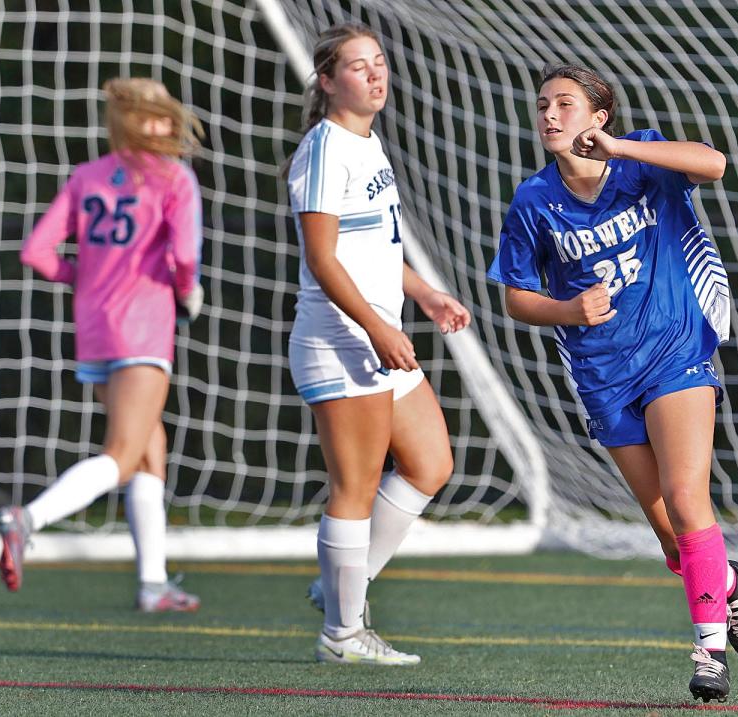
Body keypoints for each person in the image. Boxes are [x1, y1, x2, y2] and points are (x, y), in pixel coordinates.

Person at [487, 64, 738, 702]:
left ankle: (708, 650)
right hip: (603, 375)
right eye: (542, 106)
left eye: (564, 104)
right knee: (671, 533)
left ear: (598, 117)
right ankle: (727, 586)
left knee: (686, 494)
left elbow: (713, 163)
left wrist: (622, 148)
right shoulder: (534, 200)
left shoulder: (642, 162)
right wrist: (567, 309)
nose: (549, 116)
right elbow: (517, 298)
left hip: (674, 353)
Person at [284, 23, 471, 665]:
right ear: (329, 81)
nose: (374, 74)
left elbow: (376, 247)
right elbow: (323, 258)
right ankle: (342, 634)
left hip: (375, 336)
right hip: (339, 342)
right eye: (358, 66)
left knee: (430, 464)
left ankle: (342, 587)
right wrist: (377, 327)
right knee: (355, 487)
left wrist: (423, 294)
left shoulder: (369, 143)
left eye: (379, 63)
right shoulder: (325, 148)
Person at [0, 77, 205, 613]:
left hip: (94, 330)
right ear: (139, 121)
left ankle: (153, 584)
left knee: (147, 453)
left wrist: (80, 276)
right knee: (122, 453)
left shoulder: (87, 176)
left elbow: (36, 252)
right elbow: (184, 256)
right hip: (143, 329)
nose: (165, 124)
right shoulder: (174, 179)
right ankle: (28, 519)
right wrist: (188, 292)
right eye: (156, 115)